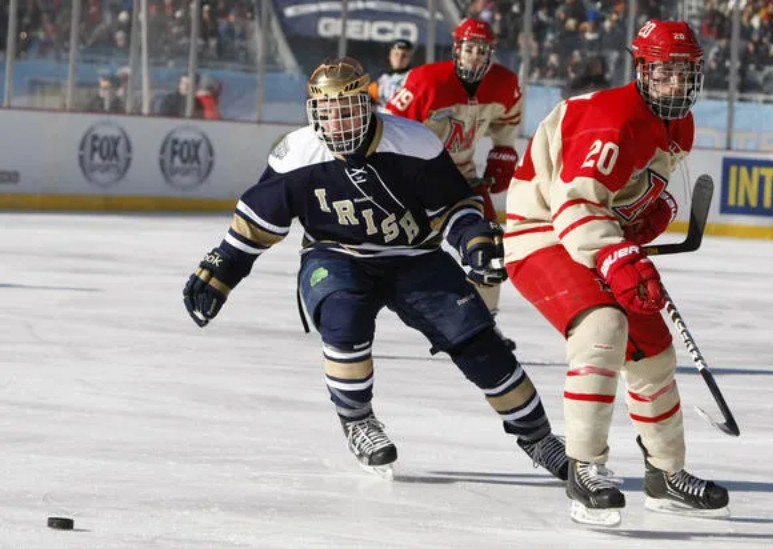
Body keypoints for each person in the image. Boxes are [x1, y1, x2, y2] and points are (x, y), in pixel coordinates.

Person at [182, 56, 567, 481]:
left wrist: (472, 239)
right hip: (336, 255)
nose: (338, 122)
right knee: (342, 316)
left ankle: (539, 438)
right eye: (328, 112)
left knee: (479, 341)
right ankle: (358, 420)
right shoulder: (297, 153)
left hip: (415, 256)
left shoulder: (413, 141)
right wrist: (222, 269)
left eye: (347, 110)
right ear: (314, 113)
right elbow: (256, 224)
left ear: (367, 106)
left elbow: (455, 205)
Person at [503, 19, 729, 526]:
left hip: (591, 234)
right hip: (542, 233)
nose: (676, 83)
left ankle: (665, 475)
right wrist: (617, 256)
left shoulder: (680, 124)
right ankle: (585, 468)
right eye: (665, 72)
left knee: (653, 351)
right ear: (642, 70)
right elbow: (576, 205)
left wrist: (641, 216)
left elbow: (616, 198)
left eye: (686, 72)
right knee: (603, 327)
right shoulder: (614, 119)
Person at [385, 18, 522, 351]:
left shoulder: (504, 83)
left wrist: (503, 150)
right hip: (417, 178)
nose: (475, 56)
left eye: (482, 50)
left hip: (463, 177)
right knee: (389, 256)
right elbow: (390, 127)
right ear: (457, 49)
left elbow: (508, 121)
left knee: (489, 247)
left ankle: (486, 327)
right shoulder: (426, 80)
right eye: (470, 49)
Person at [367, 38, 415, 112]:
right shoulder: (380, 78)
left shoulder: (414, 78)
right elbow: (368, 98)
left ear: (410, 58)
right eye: (396, 54)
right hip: (381, 117)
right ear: (389, 55)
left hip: (402, 117)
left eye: (404, 55)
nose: (399, 58)